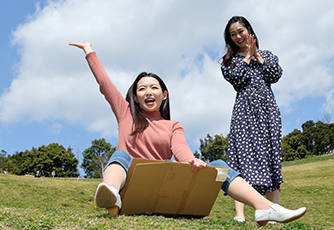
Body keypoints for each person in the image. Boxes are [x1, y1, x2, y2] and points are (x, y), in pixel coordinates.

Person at [69, 41, 306, 227]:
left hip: (162, 193)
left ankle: (263, 206)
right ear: (135, 96)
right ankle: (111, 192)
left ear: (164, 94)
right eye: (142, 89)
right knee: (121, 155)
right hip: (131, 192)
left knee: (219, 165)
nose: (148, 92)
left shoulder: (173, 126)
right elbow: (104, 83)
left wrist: (192, 161)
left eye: (154, 88)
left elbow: (182, 152)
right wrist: (89, 51)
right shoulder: (125, 114)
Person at [220, 16, 284, 223]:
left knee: (271, 158)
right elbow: (238, 80)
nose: (238, 36)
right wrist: (247, 57)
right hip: (244, 113)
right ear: (229, 39)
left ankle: (272, 212)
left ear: (250, 31)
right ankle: (240, 215)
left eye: (241, 31)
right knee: (242, 161)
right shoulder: (229, 62)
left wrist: (256, 54)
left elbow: (275, 74)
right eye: (233, 34)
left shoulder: (267, 55)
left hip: (267, 113)